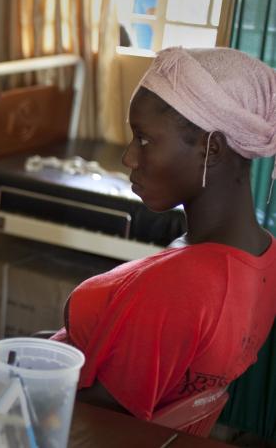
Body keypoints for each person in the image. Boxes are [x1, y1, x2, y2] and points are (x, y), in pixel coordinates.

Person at [53, 47, 276, 423]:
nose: (128, 157)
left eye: (144, 139)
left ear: (212, 149)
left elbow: (100, 426)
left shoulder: (179, 286)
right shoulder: (264, 256)